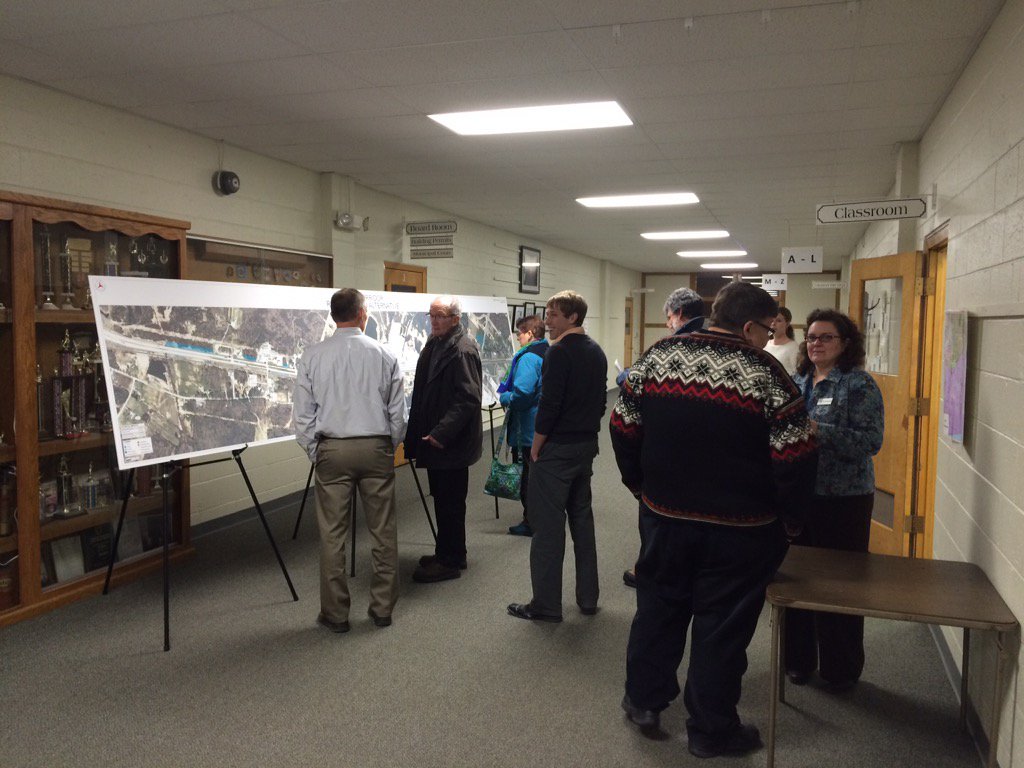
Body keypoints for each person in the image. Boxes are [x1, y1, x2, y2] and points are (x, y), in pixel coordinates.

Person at [610, 281, 817, 758]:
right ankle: (710, 729)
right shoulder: (766, 372)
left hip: (664, 518)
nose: (769, 338)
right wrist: (791, 522)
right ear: (748, 327)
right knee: (722, 629)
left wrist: (642, 488)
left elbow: (622, 426)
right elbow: (796, 456)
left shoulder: (658, 356)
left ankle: (643, 700)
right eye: (767, 330)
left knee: (658, 609)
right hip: (742, 531)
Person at [293, 288, 407, 633]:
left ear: (333, 316)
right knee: (383, 531)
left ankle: (336, 614)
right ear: (362, 314)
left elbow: (303, 417)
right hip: (376, 449)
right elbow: (398, 414)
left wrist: (316, 451)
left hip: (332, 450)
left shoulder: (312, 356)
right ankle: (382, 609)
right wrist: (389, 446)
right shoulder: (385, 354)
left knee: (332, 535)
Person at [784, 309, 884, 691]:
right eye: (811, 337)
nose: (816, 343)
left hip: (844, 501)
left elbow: (870, 442)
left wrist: (816, 430)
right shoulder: (798, 381)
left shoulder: (858, 385)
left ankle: (840, 668)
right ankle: (798, 661)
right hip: (800, 495)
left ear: (845, 344)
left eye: (826, 337)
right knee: (797, 582)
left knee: (840, 586)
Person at [507, 290, 608, 622]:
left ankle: (546, 605)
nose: (547, 321)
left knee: (547, 529)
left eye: (553, 315)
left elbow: (549, 407)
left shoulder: (559, 352)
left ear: (572, 317)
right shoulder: (596, 351)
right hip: (585, 447)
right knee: (582, 522)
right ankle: (588, 597)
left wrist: (536, 446)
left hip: (557, 452)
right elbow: (600, 403)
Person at [621, 286, 708, 588]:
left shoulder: (665, 349)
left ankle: (651, 572)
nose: (668, 323)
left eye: (669, 316)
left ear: (680, 313)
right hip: (701, 453)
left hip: (666, 453)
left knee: (659, 519)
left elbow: (623, 422)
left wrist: (633, 479)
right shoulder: (717, 344)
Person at [406, 295, 483, 583]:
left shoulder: (462, 350)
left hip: (450, 443)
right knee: (443, 499)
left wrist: (441, 433)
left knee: (450, 502)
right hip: (437, 441)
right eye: (432, 315)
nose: (434, 321)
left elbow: (468, 398)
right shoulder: (437, 343)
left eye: (440, 316)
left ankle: (449, 561)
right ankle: (450, 552)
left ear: (455, 319)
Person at [498, 315, 548, 537]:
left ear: (531, 334)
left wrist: (504, 397)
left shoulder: (528, 358)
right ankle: (541, 516)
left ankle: (531, 522)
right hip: (540, 424)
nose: (517, 336)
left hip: (527, 429)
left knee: (527, 476)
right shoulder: (546, 351)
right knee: (538, 475)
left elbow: (522, 395)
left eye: (520, 332)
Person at [764, 306, 799, 375]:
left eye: (778, 321)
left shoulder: (793, 347)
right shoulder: (766, 344)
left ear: (787, 324)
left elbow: (797, 374)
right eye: (772, 321)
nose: (773, 323)